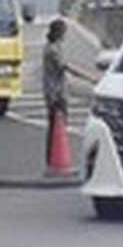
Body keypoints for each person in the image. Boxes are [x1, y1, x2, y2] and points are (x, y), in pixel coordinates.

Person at [42, 19, 98, 165]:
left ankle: (53, 157)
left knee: (56, 126)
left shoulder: (54, 47)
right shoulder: (52, 50)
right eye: (63, 31)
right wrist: (89, 77)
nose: (65, 34)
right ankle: (54, 158)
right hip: (56, 93)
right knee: (57, 126)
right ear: (58, 32)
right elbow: (65, 67)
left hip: (58, 91)